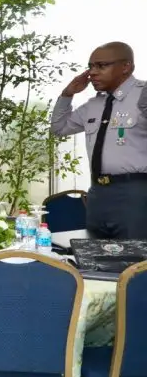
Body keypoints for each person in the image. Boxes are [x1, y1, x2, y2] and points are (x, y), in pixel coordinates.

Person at [51, 42, 147, 238]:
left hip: (136, 192)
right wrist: (67, 94)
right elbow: (58, 128)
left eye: (101, 66)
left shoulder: (143, 95)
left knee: (134, 254)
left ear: (126, 66)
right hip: (98, 192)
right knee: (96, 253)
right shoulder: (94, 105)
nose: (93, 72)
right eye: (91, 66)